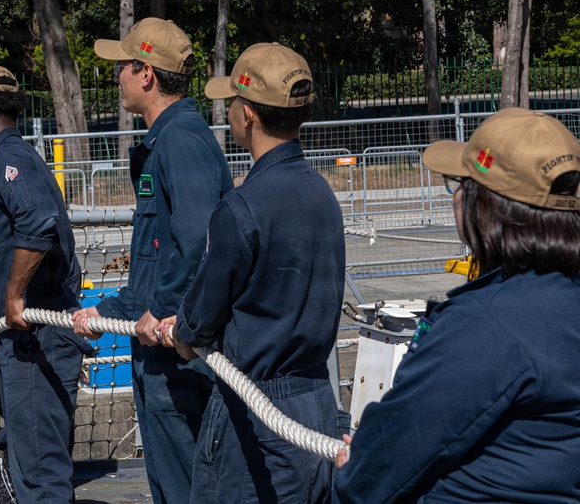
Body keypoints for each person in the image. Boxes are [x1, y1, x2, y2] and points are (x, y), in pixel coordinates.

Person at [334, 107, 580, 503]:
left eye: (461, 184)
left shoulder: (485, 325)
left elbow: (380, 467)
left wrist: (354, 469)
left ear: (486, 208)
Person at [157, 43, 347, 503]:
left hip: (255, 411)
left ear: (246, 115)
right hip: (317, 405)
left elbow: (199, 319)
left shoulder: (241, 208)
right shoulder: (323, 194)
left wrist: (180, 332)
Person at [72, 18, 234, 503]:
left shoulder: (180, 140)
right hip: (160, 346)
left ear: (146, 74)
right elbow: (156, 263)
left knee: (187, 489)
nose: (115, 76)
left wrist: (161, 307)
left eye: (121, 66)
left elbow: (196, 241)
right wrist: (109, 311)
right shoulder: (168, 140)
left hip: (177, 353)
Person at [0, 63, 91, 503]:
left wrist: (13, 298)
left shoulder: (8, 161)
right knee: (31, 471)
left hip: (37, 341)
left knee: (40, 478)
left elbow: (38, 221)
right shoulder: (12, 158)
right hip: (23, 334)